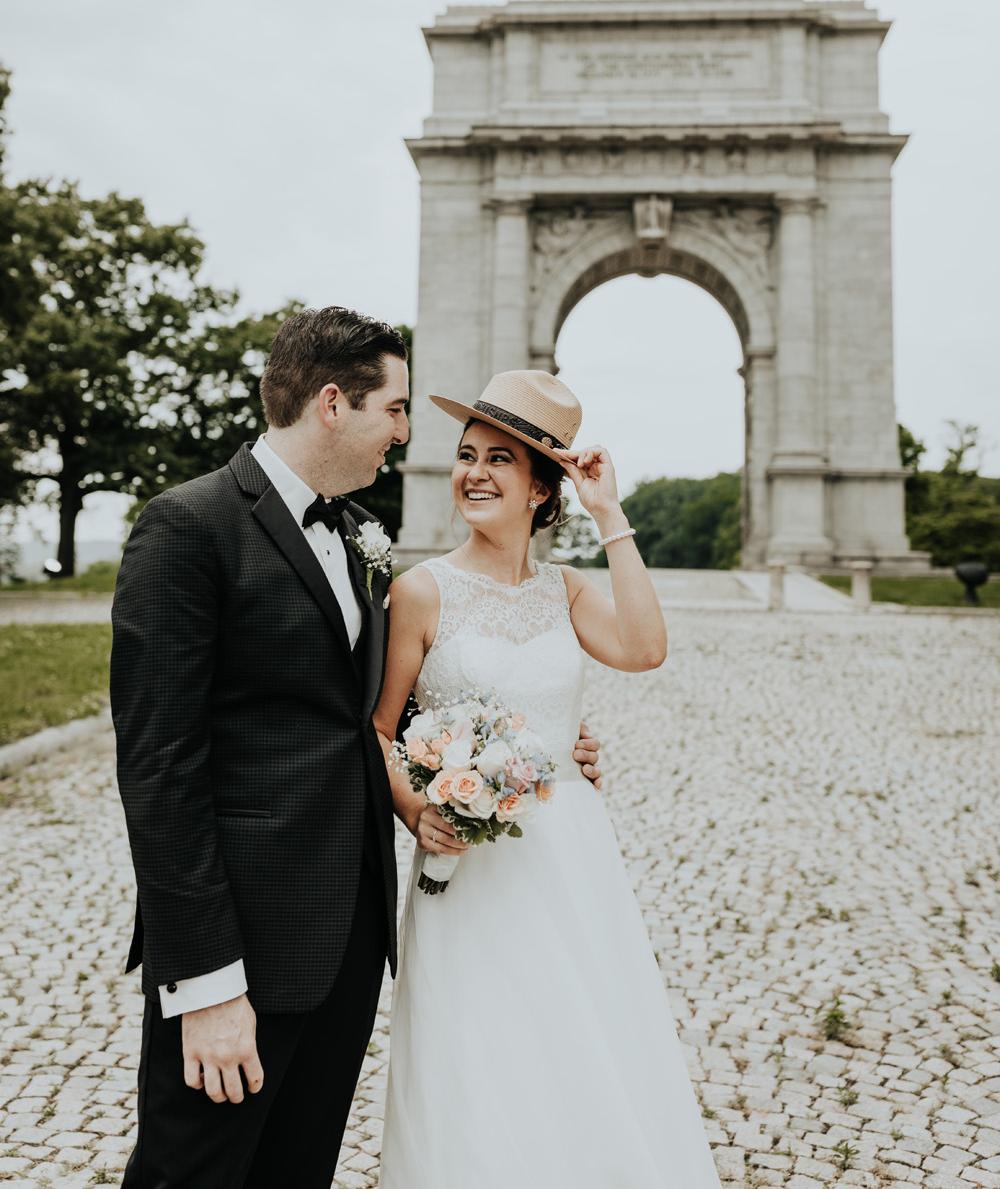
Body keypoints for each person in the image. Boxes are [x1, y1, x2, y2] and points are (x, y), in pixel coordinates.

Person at [109, 307, 601, 1189]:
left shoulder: (358, 536)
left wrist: (523, 752)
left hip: (346, 941)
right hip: (243, 958)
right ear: (333, 404)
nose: (409, 434)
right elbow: (159, 772)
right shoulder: (190, 527)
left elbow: (366, 711)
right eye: (398, 409)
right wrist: (208, 985)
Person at [375, 369, 722, 1189]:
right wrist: (415, 806)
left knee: (580, 1035)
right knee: (477, 1047)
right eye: (467, 455)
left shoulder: (566, 590)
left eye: (501, 459)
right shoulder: (420, 592)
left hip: (570, 853)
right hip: (467, 862)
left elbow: (644, 648)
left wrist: (611, 514)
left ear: (541, 488)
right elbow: (380, 730)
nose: (476, 473)